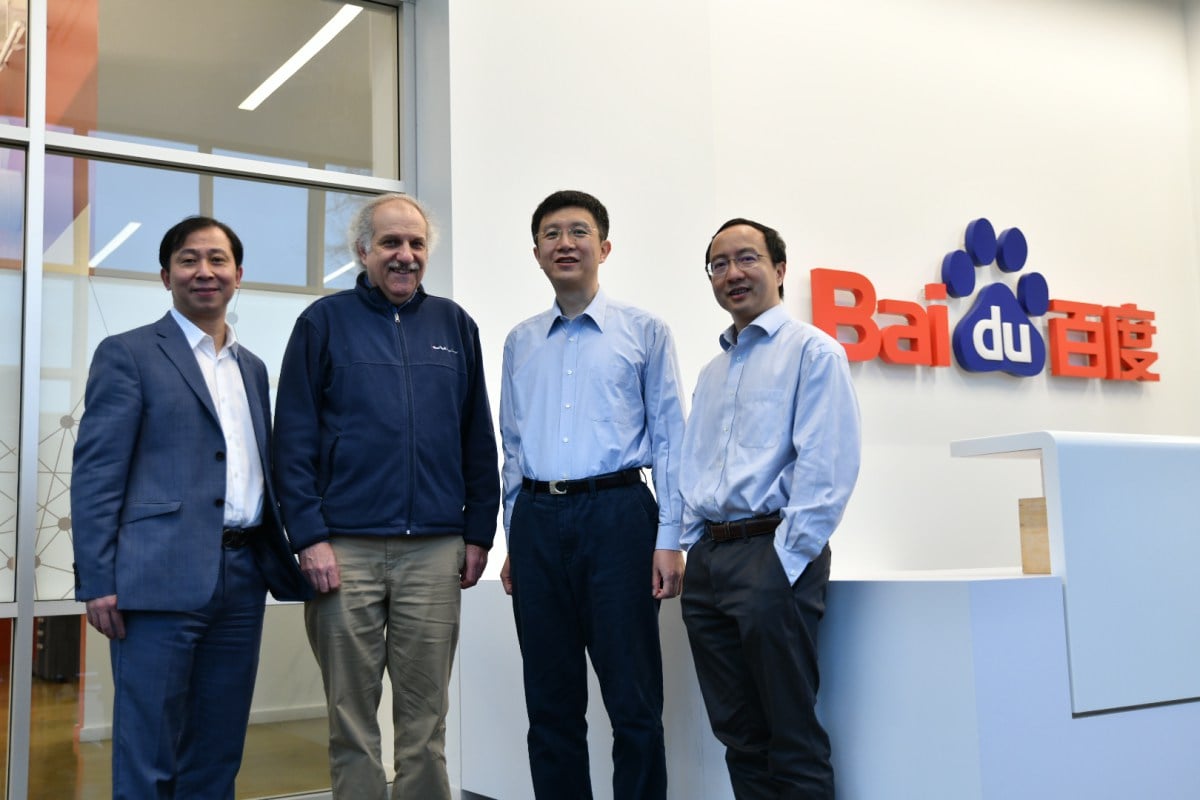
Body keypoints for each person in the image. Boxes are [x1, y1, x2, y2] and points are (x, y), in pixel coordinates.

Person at [71, 216, 313, 800]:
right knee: (149, 751)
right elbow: (97, 474)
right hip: (155, 579)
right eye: (188, 260)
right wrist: (97, 579)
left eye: (217, 260)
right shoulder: (127, 354)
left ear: (238, 275)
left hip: (241, 576)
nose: (204, 271)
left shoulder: (252, 368)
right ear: (165, 275)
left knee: (217, 749)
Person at [273, 192, 500, 800]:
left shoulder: (455, 325)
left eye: (416, 244)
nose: (404, 255)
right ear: (362, 251)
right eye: (391, 243)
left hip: (434, 550)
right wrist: (310, 538)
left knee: (426, 722)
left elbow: (477, 436)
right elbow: (291, 441)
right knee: (352, 721)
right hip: (342, 551)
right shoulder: (323, 323)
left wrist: (479, 533)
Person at [498, 189, 687, 799]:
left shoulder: (645, 332)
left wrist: (670, 540)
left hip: (620, 518)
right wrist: (514, 536)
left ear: (604, 247)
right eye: (552, 234)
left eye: (579, 231)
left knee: (633, 702)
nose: (565, 243)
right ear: (536, 253)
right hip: (536, 521)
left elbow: (671, 440)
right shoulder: (520, 341)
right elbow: (512, 448)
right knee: (550, 705)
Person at [679, 217, 861, 799]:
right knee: (737, 734)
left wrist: (784, 560)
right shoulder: (712, 372)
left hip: (770, 556)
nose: (732, 273)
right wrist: (691, 546)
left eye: (747, 259)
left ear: (779, 269)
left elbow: (827, 466)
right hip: (710, 562)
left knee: (791, 732)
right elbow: (695, 464)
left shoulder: (814, 352)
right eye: (719, 264)